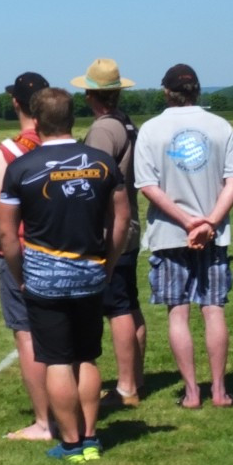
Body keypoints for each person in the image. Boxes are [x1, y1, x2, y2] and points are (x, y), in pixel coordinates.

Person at [0, 88, 129, 464]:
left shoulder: (20, 168)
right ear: (73, 119)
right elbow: (120, 218)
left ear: (36, 122)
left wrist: (18, 273)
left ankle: (71, 444)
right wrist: (109, 260)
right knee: (87, 357)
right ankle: (91, 438)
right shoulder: (103, 163)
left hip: (43, 278)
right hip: (91, 273)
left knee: (57, 360)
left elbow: (8, 235)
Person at [134, 63, 233, 409]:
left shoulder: (152, 129)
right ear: (197, 90)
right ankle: (219, 391)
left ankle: (191, 393)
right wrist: (209, 223)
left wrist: (187, 222)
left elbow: (147, 186)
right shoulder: (220, 126)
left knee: (178, 311)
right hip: (213, 236)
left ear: (166, 92)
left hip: (170, 235)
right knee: (213, 309)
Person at [0, 71, 53, 440]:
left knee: (26, 335)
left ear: (16, 103)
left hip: (21, 249)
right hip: (63, 248)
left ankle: (44, 421)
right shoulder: (63, 143)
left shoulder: (7, 150)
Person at [71, 58, 147, 408]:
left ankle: (126, 388)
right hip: (128, 223)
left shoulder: (102, 130)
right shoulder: (125, 122)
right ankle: (135, 380)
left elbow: (93, 178)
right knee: (129, 304)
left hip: (111, 228)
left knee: (116, 307)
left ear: (91, 94)